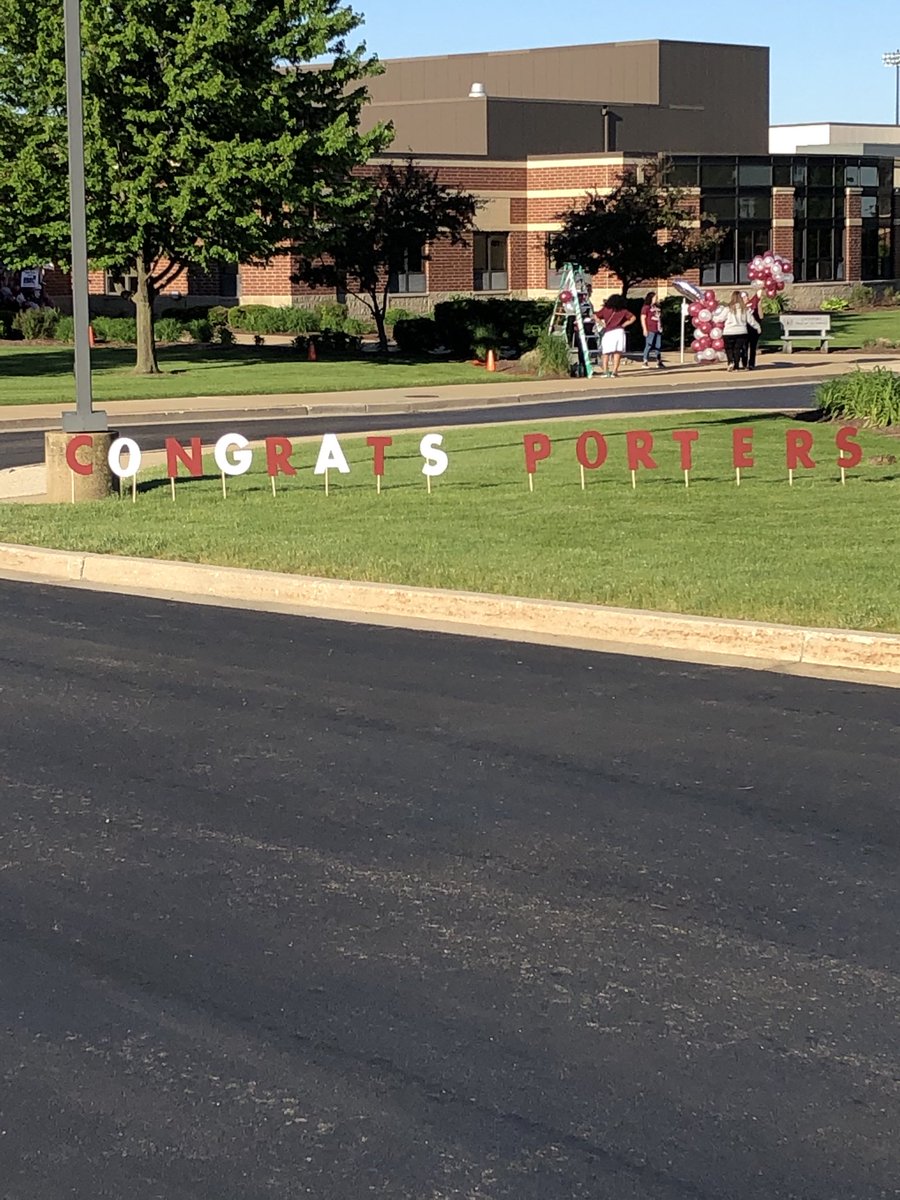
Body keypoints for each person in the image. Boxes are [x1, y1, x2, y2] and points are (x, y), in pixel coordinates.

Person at [596, 294, 635, 378]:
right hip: (619, 331)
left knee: (605, 352)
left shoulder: (605, 309)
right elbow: (633, 318)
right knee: (617, 352)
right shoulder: (623, 311)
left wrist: (602, 324)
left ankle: (605, 371)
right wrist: (624, 325)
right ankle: (614, 372)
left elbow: (596, 316)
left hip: (608, 332)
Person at [721, 291, 750, 372]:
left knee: (729, 349)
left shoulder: (728, 308)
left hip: (728, 332)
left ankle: (730, 362)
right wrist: (758, 327)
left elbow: (721, 318)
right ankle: (736, 366)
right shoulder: (744, 309)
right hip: (741, 331)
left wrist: (714, 318)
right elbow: (751, 320)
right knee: (737, 349)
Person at [640, 290, 664, 368]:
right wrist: (644, 329)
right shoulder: (646, 308)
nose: (656, 299)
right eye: (655, 298)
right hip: (650, 329)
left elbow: (660, 317)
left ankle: (659, 361)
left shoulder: (657, 307)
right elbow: (643, 318)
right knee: (649, 345)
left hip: (658, 328)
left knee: (658, 346)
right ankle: (645, 361)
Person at [742, 286, 763, 370]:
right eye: (743, 297)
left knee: (753, 347)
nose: (745, 298)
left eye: (746, 296)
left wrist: (762, 285)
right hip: (744, 329)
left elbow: (758, 294)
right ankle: (744, 363)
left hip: (754, 329)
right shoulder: (739, 307)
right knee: (744, 347)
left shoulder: (752, 303)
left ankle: (751, 363)